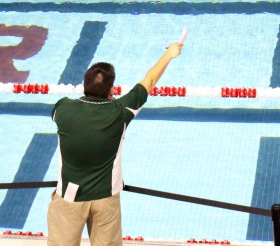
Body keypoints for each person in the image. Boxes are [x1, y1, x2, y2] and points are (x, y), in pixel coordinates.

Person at [47, 42, 184, 246]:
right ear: (111, 89)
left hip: (68, 197)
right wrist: (169, 55)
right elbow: (150, 80)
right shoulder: (120, 113)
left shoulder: (63, 109)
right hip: (106, 199)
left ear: (85, 86)